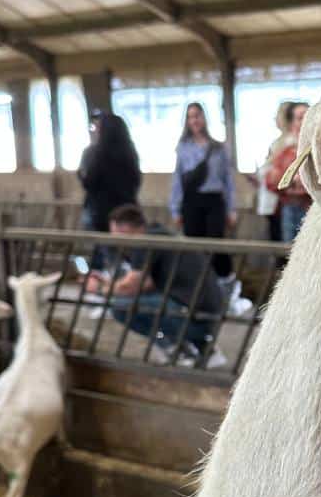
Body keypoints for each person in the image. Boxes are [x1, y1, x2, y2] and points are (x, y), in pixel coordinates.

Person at [87, 204, 228, 369]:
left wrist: (99, 289)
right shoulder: (161, 235)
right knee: (141, 302)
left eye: (115, 233)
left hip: (194, 317)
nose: (115, 239)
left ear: (124, 228)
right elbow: (147, 284)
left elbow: (132, 286)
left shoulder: (145, 241)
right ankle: (203, 349)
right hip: (211, 315)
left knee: (120, 308)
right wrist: (108, 284)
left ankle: (176, 348)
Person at [170, 102, 237, 282]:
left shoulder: (218, 148)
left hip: (214, 200)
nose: (195, 120)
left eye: (197, 116)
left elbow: (228, 180)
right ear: (187, 121)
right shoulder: (183, 147)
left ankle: (224, 282)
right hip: (191, 201)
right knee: (194, 245)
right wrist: (175, 209)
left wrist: (232, 209)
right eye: (190, 117)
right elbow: (178, 179)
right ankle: (199, 285)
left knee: (216, 243)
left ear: (204, 118)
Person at [77, 111, 141, 272]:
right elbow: (137, 180)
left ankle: (108, 285)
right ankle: (128, 283)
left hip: (102, 213)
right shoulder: (130, 151)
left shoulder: (96, 153)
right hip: (127, 211)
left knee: (106, 253)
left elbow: (90, 182)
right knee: (129, 253)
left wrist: (80, 175)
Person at [265, 101, 312, 242]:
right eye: (300, 117)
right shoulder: (283, 151)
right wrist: (290, 183)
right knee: (288, 251)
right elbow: (271, 181)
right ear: (293, 124)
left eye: (308, 116)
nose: (305, 121)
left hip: (314, 208)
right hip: (289, 207)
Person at [256, 101, 298, 244]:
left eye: (278, 115)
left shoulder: (291, 143)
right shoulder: (277, 143)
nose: (275, 119)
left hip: (282, 200)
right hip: (272, 198)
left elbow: (278, 173)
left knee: (284, 242)